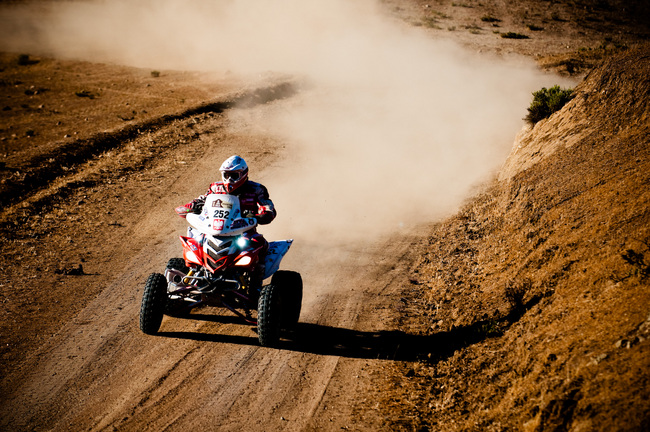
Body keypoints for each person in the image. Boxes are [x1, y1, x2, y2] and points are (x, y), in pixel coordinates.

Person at [176, 155, 276, 292]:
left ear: (243, 174)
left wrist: (264, 213)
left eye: (234, 175)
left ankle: (255, 287)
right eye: (226, 175)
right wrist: (189, 207)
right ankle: (186, 281)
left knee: (261, 245)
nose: (229, 180)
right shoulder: (216, 188)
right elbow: (201, 200)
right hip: (214, 229)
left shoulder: (256, 189)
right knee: (194, 243)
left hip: (243, 232)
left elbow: (267, 206)